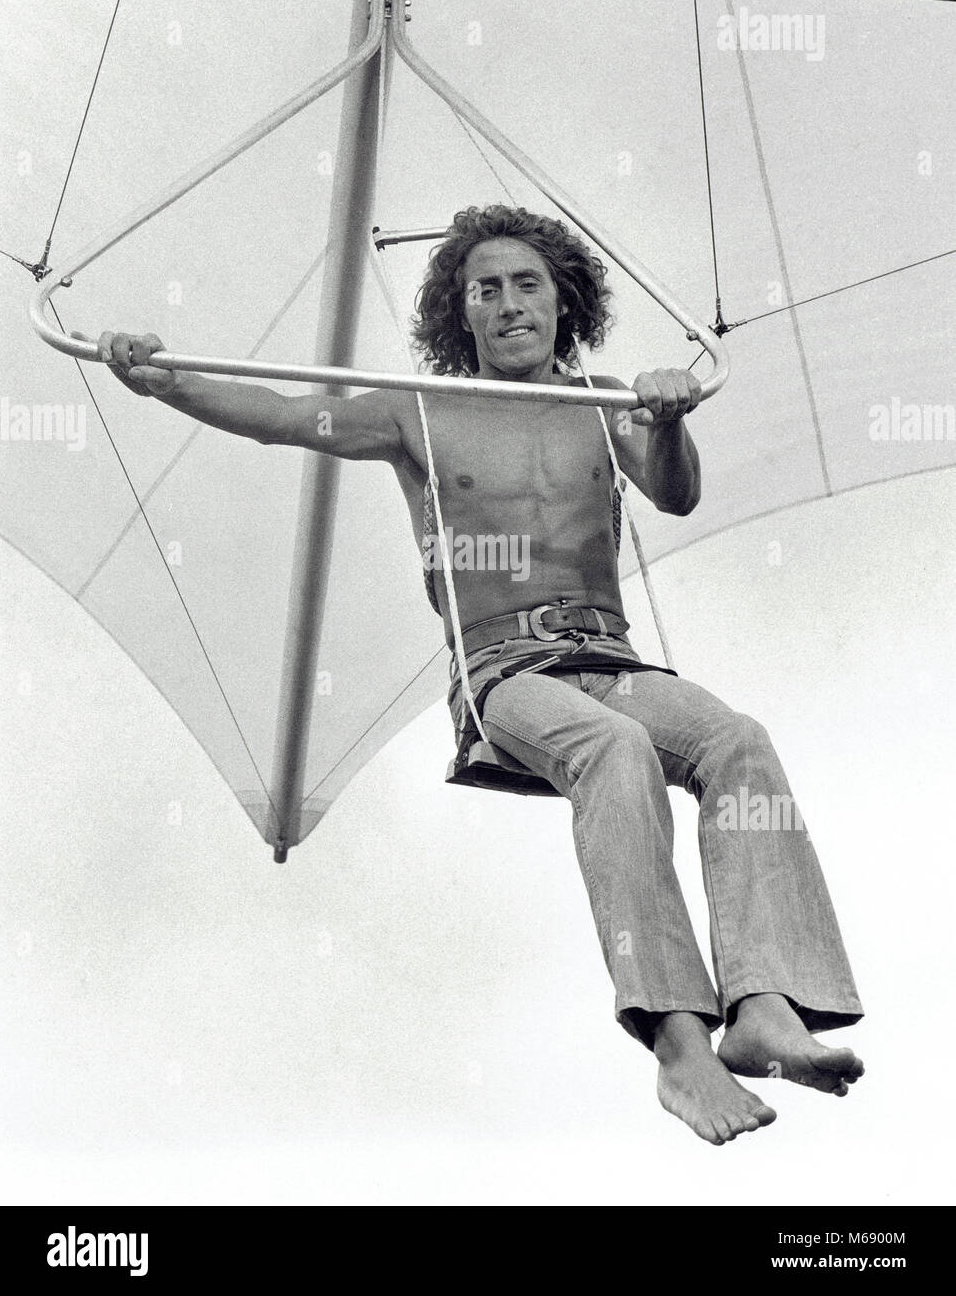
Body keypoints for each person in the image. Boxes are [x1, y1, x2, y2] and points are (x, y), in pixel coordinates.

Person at [83, 203, 864, 1145]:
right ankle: (678, 1044)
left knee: (738, 739)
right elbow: (284, 415)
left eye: (525, 284)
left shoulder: (600, 401)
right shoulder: (417, 410)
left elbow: (675, 490)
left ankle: (764, 1006)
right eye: (483, 291)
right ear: (463, 316)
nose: (507, 305)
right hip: (503, 667)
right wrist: (161, 379)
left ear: (560, 298)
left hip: (607, 654)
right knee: (611, 752)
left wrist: (661, 418)